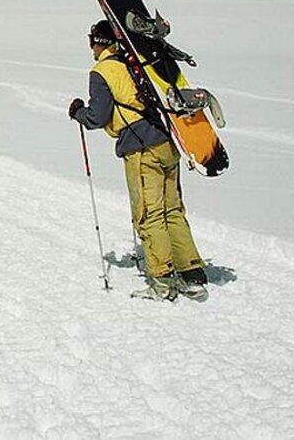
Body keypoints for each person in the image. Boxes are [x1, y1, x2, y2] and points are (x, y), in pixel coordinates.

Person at [69, 20, 208, 302]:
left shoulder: (102, 71)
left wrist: (78, 113)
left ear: (97, 41)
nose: (90, 47)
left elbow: (97, 117)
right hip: (167, 142)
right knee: (172, 210)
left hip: (141, 148)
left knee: (148, 214)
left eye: (91, 40)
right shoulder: (134, 62)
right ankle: (191, 273)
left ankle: (162, 282)